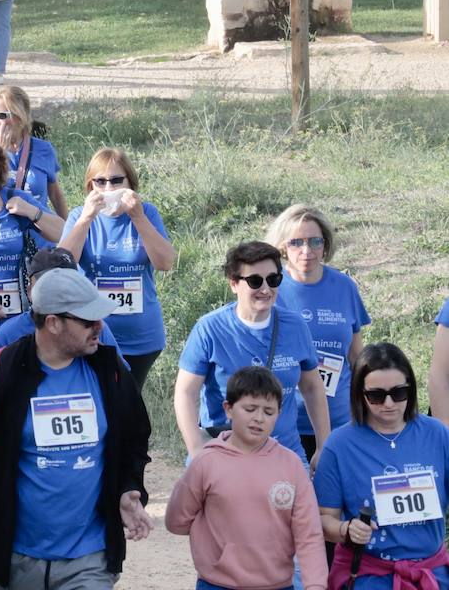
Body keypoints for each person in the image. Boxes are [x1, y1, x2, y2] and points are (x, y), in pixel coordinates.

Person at [0, 269, 154, 590]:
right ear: (53, 323)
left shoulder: (110, 371)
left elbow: (134, 441)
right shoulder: (2, 370)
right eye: (87, 321)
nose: (99, 327)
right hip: (16, 557)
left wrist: (128, 489)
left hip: (89, 557)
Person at [167, 365, 328, 590]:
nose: (259, 418)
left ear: (278, 414)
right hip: (217, 584)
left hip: (278, 585)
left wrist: (316, 586)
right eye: (250, 409)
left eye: (268, 412)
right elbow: (177, 521)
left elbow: (308, 534)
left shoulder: (291, 466)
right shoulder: (206, 463)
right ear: (229, 408)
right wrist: (220, 543)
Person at [175, 241, 330, 465]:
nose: (265, 289)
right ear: (234, 284)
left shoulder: (295, 326)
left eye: (273, 279)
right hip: (224, 454)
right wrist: (197, 451)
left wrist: (323, 444)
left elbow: (312, 387)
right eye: (255, 281)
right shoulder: (209, 328)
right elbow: (185, 393)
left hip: (284, 453)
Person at [315, 342, 449, 589]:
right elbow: (323, 520)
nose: (388, 404)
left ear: (411, 389)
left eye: (398, 393)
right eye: (376, 396)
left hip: (433, 573)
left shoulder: (438, 434)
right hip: (371, 575)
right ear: (359, 394)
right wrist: (346, 529)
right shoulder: (339, 445)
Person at [59, 147, 175, 385]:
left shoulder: (147, 213)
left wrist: (138, 217)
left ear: (130, 182)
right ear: (90, 186)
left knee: (129, 405)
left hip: (141, 337)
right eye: (100, 181)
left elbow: (165, 262)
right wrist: (86, 219)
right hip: (92, 335)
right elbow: (62, 266)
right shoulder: (79, 216)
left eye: (116, 180)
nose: (109, 189)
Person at [266, 204, 371, 463]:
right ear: (282, 247)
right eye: (296, 242)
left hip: (341, 420)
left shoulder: (344, 286)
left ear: (325, 244)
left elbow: (357, 355)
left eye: (315, 241)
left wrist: (367, 407)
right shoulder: (269, 289)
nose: (306, 251)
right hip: (286, 423)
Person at [0, 85, 67, 216]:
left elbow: (56, 196)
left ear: (20, 118)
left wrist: (66, 231)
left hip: (38, 227)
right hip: (2, 229)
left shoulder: (43, 149)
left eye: (1, 115)